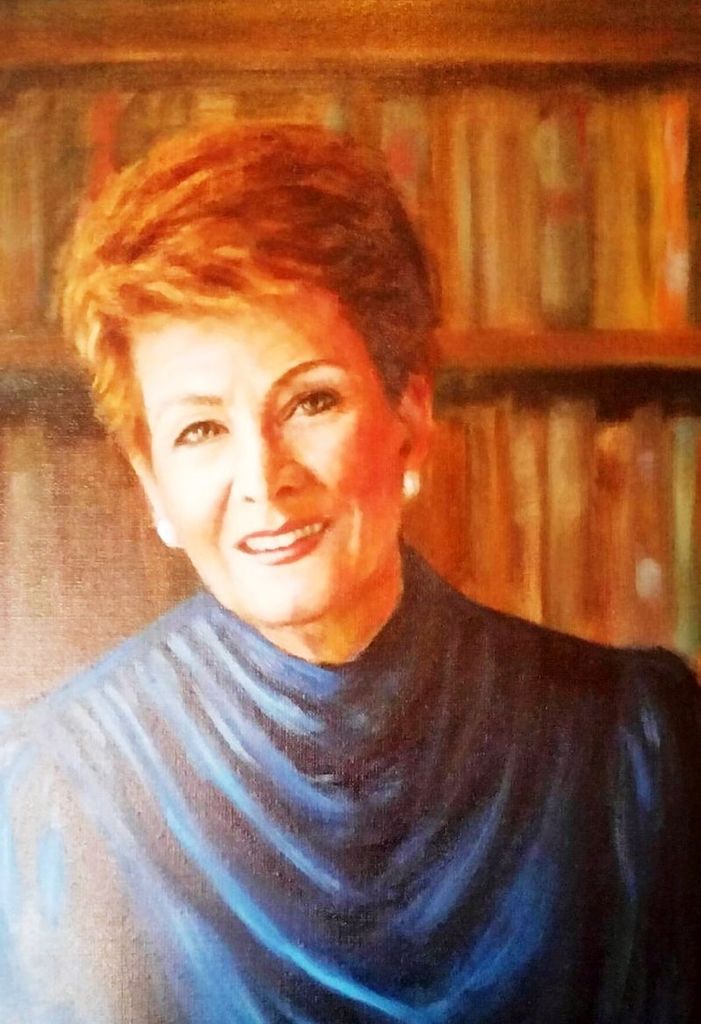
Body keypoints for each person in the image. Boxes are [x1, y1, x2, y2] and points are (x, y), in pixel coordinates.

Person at [0, 123, 699, 1024]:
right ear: (152, 485)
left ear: (410, 415)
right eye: (201, 429)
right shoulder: (53, 786)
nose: (264, 481)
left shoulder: (629, 746)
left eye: (310, 401)